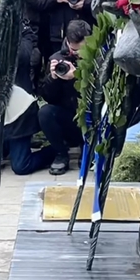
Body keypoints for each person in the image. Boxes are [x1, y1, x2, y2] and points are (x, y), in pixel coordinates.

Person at [37, 19, 93, 175]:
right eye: (74, 50)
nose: (77, 54)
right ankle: (61, 154)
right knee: (45, 112)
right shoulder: (57, 58)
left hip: (91, 117)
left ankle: (87, 148)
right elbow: (49, 98)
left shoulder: (99, 56)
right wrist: (53, 78)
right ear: (67, 42)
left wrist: (77, 75)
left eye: (81, 50)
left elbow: (101, 90)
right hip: (69, 118)